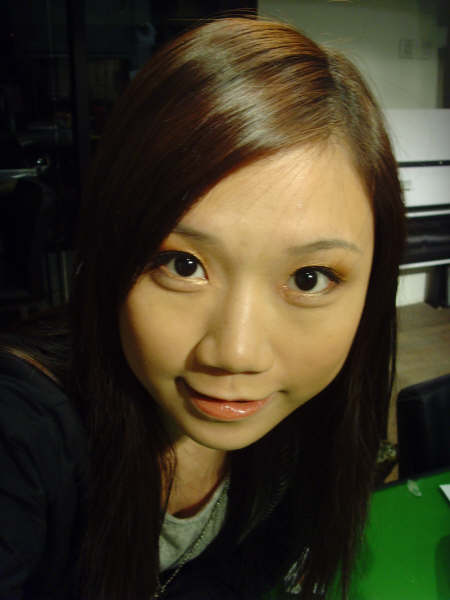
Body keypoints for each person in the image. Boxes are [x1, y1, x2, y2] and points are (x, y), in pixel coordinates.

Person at [0, 16, 405, 600]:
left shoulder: (316, 425)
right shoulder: (23, 435)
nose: (235, 353)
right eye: (183, 265)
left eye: (309, 278)